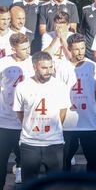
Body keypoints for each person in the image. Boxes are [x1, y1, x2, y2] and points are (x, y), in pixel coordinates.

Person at [13, 51, 71, 183]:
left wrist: (54, 128)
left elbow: (63, 111)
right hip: (29, 144)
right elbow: (20, 112)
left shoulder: (60, 86)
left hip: (54, 143)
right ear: (34, 67)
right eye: (44, 68)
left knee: (55, 185)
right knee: (29, 184)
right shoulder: (23, 87)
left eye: (51, 67)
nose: (49, 71)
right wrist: (30, 126)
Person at [62, 33, 96, 172]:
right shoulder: (62, 67)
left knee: (93, 159)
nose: (80, 52)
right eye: (76, 49)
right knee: (64, 159)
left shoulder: (94, 67)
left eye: (83, 48)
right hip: (68, 122)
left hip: (89, 122)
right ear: (69, 49)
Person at [0, 33, 34, 188]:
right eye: (23, 48)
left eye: (28, 47)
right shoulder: (3, 63)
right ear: (13, 49)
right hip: (5, 121)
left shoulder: (33, 62)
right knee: (1, 161)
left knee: (28, 164)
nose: (27, 51)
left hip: (26, 121)